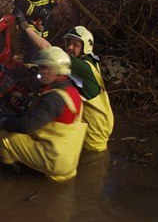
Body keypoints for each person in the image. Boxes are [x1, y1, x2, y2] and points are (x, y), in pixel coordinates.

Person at [17, 15, 114, 152]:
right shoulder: (91, 62)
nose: (69, 47)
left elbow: (47, 49)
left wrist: (25, 27)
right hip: (99, 128)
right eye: (69, 43)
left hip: (93, 134)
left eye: (75, 45)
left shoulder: (82, 67)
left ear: (85, 48)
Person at [0, 46, 88, 182]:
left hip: (53, 161)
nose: (41, 71)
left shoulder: (53, 98)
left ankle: (11, 172)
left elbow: (27, 126)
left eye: (46, 67)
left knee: (1, 133)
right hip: (69, 164)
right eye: (41, 67)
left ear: (58, 70)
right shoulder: (71, 91)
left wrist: (1, 121)